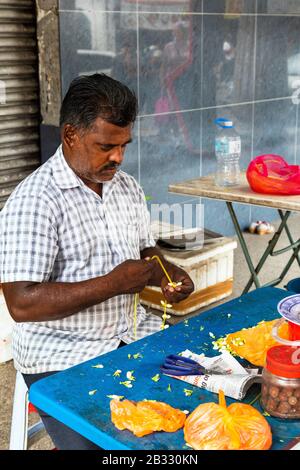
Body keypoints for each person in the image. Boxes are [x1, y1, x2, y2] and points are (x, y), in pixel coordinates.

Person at [0, 74, 194, 450]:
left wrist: (168, 272)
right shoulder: (35, 201)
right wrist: (113, 283)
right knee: (117, 446)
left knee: (194, 413)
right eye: (106, 146)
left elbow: (143, 252)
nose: (118, 158)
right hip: (61, 354)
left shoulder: (126, 186)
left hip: (130, 334)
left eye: (124, 145)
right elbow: (21, 302)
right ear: (71, 135)